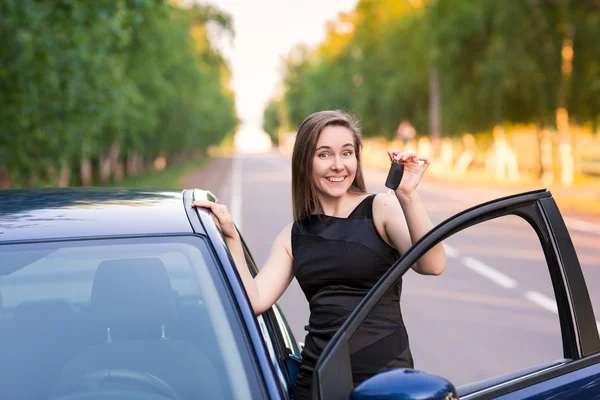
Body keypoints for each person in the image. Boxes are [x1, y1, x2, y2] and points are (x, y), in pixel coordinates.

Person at [192, 110, 446, 399]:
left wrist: (409, 196)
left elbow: (433, 264)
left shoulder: (380, 209)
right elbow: (256, 299)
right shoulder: (293, 235)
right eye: (324, 155)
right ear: (305, 162)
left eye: (346, 153)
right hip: (319, 381)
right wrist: (232, 237)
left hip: (385, 381)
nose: (338, 165)